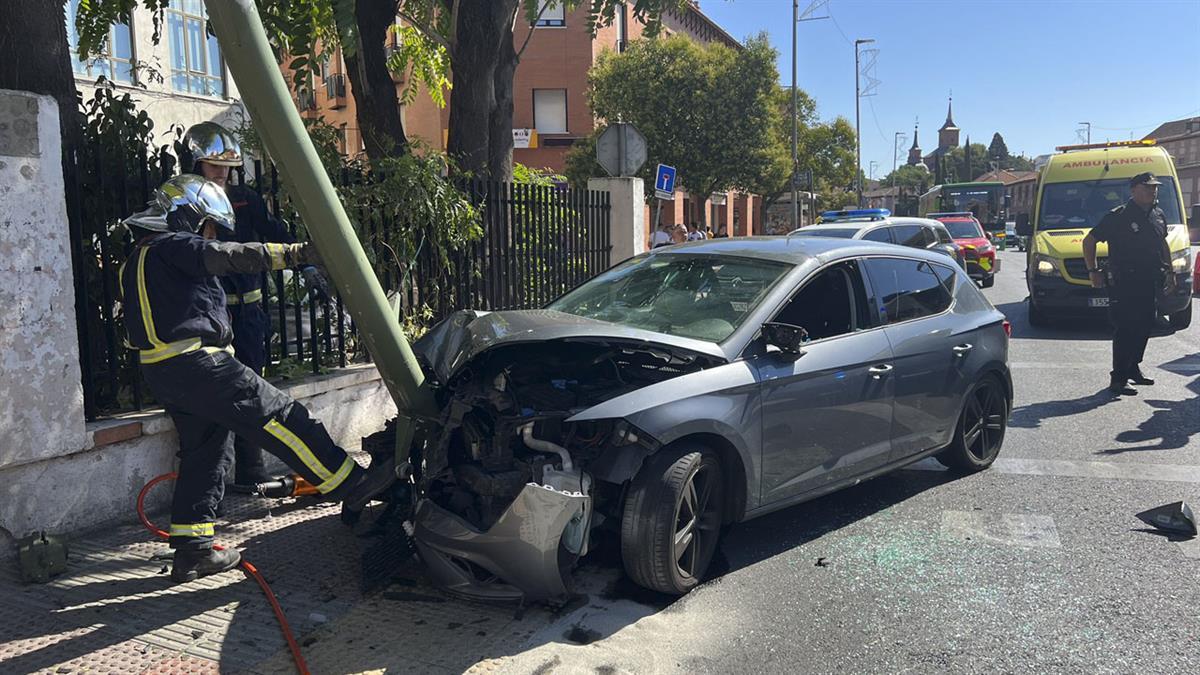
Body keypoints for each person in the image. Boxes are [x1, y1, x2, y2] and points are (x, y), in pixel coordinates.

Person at [120, 175, 388, 582]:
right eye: (210, 226)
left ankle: (193, 552)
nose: (212, 236)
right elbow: (228, 256)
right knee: (284, 418)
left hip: (162, 371)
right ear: (189, 216)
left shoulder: (137, 259)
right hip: (200, 364)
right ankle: (356, 488)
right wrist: (298, 253)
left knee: (205, 454)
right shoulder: (176, 245)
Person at [182, 122, 329, 487]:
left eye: (227, 166)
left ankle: (251, 469)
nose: (221, 172)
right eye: (213, 165)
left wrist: (307, 265)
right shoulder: (183, 203)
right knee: (212, 398)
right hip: (207, 319)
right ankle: (212, 482)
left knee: (252, 391)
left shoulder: (246, 199)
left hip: (247, 316)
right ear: (195, 163)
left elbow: (274, 232)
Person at [1082, 172, 1174, 396]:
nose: (1152, 191)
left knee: (1145, 325)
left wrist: (1171, 272)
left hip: (1149, 280)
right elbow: (1089, 241)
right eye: (1147, 187)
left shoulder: (1158, 214)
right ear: (1133, 190)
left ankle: (1133, 367)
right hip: (1124, 282)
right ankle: (1118, 378)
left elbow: (1162, 244)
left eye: (1155, 188)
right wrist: (1093, 271)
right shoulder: (1119, 216)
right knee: (1126, 327)